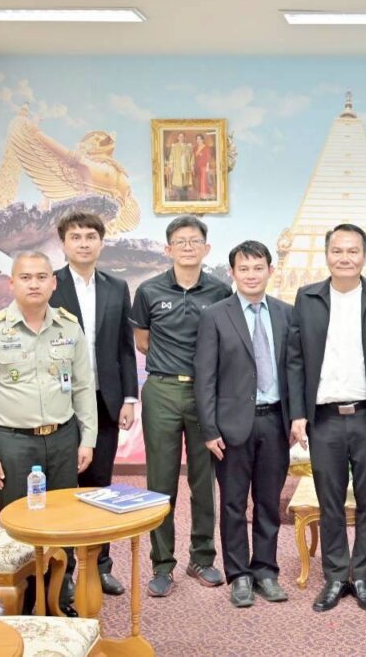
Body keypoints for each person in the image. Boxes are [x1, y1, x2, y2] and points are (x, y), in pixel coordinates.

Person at [0, 250, 98, 612]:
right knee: (19, 522)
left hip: (62, 438)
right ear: (12, 283)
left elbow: (83, 386)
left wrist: (87, 439)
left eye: (41, 277)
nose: (34, 284)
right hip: (12, 442)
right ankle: (24, 601)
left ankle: (60, 595)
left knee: (64, 520)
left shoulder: (69, 327)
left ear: (53, 283)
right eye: (26, 277)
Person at [286, 223, 366, 613]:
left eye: (353, 251)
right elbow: (295, 360)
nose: (345, 258)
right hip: (324, 419)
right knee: (330, 501)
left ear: (364, 256)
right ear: (327, 255)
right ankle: (336, 576)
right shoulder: (307, 298)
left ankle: (363, 576)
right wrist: (298, 413)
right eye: (337, 250)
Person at [130, 216, 231, 598]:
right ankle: (162, 565)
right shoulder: (149, 290)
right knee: (161, 481)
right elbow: (143, 341)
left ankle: (202, 558)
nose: (188, 247)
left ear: (207, 248)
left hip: (206, 393)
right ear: (168, 249)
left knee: (204, 480)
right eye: (180, 241)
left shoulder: (220, 291)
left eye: (195, 241)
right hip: (162, 391)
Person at [195, 240, 293, 608]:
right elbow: (205, 377)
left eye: (258, 268)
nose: (251, 275)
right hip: (231, 427)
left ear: (271, 270)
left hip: (275, 423)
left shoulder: (286, 313)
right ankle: (238, 575)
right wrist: (209, 429)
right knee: (233, 504)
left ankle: (266, 570)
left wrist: (297, 419)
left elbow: (295, 371)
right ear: (232, 273)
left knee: (268, 503)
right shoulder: (215, 315)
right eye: (244, 269)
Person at [49, 210, 138, 597]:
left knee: (100, 484)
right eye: (75, 237)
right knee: (65, 486)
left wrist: (129, 397)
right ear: (63, 244)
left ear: (101, 243)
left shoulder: (117, 287)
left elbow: (125, 348)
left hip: (105, 400)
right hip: (60, 402)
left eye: (90, 236)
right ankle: (66, 571)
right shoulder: (50, 284)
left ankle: (100, 566)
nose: (83, 243)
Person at [166, 132, 194, 200]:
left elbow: (192, 157)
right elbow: (171, 157)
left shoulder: (188, 147)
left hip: (186, 167)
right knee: (178, 184)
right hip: (178, 167)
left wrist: (192, 165)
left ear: (184, 138)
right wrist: (171, 166)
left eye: (182, 136)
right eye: (180, 136)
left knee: (185, 184)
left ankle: (185, 198)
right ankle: (180, 199)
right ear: (178, 138)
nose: (181, 138)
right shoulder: (174, 147)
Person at [193, 133, 213, 201]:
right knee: (199, 181)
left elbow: (208, 158)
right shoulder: (195, 148)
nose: (198, 140)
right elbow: (193, 157)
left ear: (202, 139)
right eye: (197, 139)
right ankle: (201, 195)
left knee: (203, 181)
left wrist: (207, 166)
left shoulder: (206, 147)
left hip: (204, 167)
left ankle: (204, 196)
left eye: (200, 139)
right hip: (197, 167)